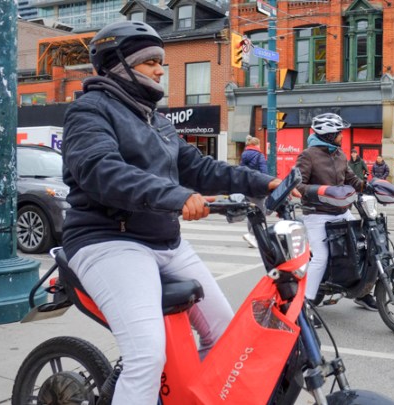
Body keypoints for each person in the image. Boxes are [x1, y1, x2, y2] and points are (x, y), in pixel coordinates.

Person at [61, 21, 288, 405]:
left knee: (226, 335)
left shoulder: (158, 122)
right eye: (150, 61)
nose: (160, 69)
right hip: (109, 241)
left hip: (164, 240)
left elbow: (201, 168)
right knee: (147, 354)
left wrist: (263, 182)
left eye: (161, 62)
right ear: (119, 65)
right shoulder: (89, 112)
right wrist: (175, 195)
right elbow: (101, 170)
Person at [295, 113, 378, 316]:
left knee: (365, 247)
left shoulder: (340, 155)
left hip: (341, 212)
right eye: (339, 133)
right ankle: (304, 304)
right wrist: (320, 191)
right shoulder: (308, 155)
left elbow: (351, 179)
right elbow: (298, 184)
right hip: (318, 214)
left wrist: (368, 186)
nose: (342, 136)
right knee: (321, 257)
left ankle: (361, 291)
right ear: (329, 135)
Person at [240, 135, 268, 248]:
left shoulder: (244, 155)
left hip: (247, 186)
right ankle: (253, 235)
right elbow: (264, 171)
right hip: (257, 187)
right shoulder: (259, 155)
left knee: (251, 211)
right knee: (261, 211)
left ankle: (253, 236)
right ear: (257, 145)